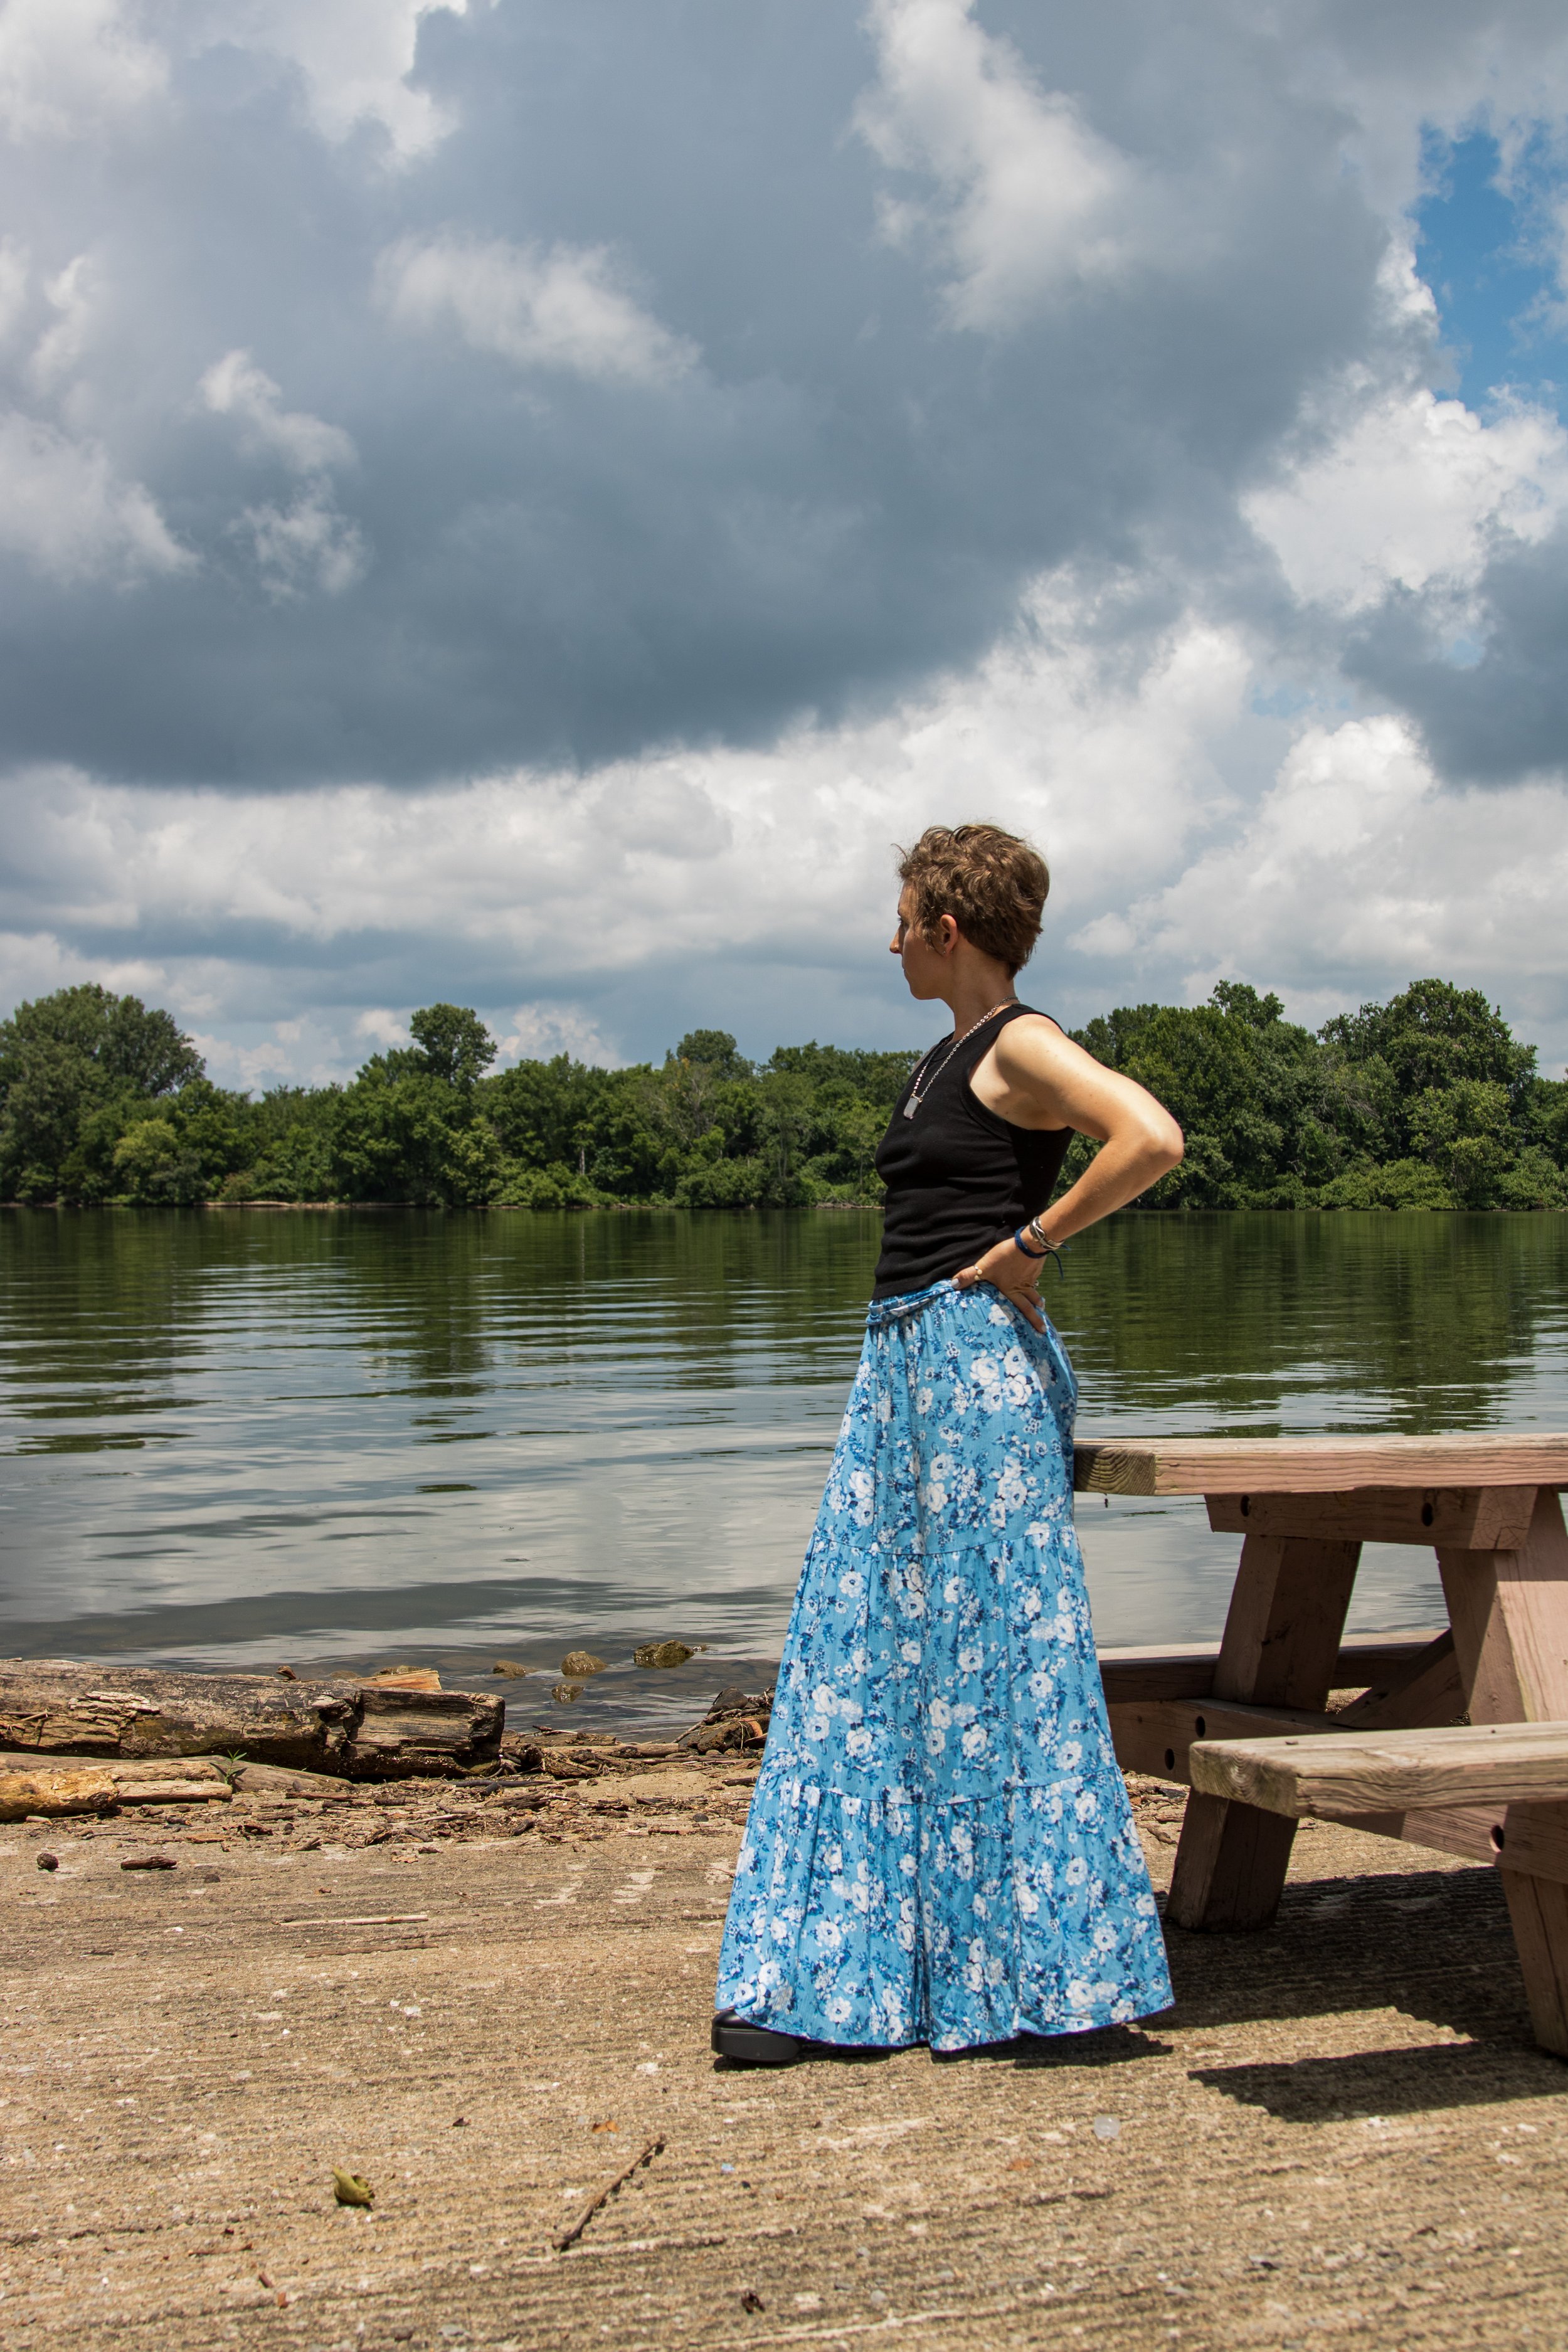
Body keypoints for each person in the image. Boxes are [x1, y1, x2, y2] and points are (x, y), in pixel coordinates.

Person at [713, 822, 1185, 2063]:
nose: (888, 938)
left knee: (996, 1667)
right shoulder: (941, 1055)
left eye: (902, 916)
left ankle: (1046, 1990)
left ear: (946, 928)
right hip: (902, 1367)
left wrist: (1034, 1246)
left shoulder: (1019, 1043)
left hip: (974, 1368)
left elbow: (1149, 1137)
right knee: (865, 1658)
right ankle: (847, 1982)